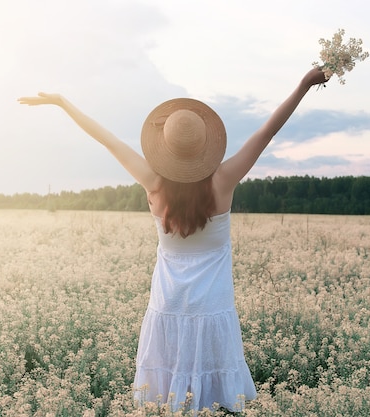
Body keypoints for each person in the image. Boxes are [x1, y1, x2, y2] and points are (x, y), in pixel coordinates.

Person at [18, 67, 329, 412]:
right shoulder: (223, 181)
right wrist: (303, 85)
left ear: (165, 149)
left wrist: (63, 103)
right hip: (212, 308)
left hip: (167, 306)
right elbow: (268, 131)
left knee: (165, 398)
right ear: (204, 148)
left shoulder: (153, 183)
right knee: (216, 401)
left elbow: (107, 139)